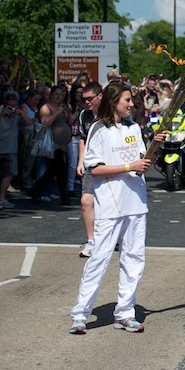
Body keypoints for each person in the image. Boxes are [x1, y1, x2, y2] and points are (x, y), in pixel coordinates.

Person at [69, 82, 166, 335]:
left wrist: (154, 146)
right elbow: (95, 169)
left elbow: (143, 162)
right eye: (127, 100)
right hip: (110, 205)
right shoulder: (99, 130)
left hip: (136, 203)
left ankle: (125, 312)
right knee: (99, 259)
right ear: (114, 102)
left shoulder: (134, 127)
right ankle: (80, 314)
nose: (131, 104)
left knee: (133, 259)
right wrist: (127, 166)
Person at [0, 92, 32, 210]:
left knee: (9, 173)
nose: (12, 109)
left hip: (9, 147)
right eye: (10, 106)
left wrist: (20, 113)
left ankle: (2, 198)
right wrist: (2, 114)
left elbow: (28, 123)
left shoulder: (17, 113)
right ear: (4, 105)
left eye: (14, 106)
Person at [30, 85, 73, 206]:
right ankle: (64, 197)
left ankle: (36, 190)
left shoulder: (62, 107)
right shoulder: (46, 107)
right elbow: (45, 122)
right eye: (56, 94)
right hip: (51, 144)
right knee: (59, 170)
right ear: (51, 95)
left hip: (61, 144)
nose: (59, 96)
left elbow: (69, 122)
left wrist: (68, 112)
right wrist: (58, 112)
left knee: (54, 171)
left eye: (61, 94)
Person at [76, 82, 102, 258]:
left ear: (100, 96)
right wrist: (80, 161)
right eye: (83, 99)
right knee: (86, 201)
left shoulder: (112, 113)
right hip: (92, 165)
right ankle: (91, 240)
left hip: (111, 164)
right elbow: (82, 139)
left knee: (108, 203)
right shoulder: (84, 115)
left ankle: (112, 238)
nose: (86, 102)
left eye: (89, 98)